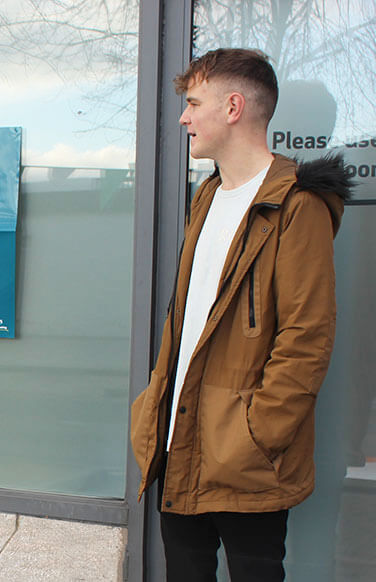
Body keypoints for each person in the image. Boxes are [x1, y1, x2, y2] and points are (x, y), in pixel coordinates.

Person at [129, 48, 353, 581]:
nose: (184, 117)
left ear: (233, 107)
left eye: (193, 103)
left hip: (245, 456)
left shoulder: (298, 205)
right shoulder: (206, 196)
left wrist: (256, 434)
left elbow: (307, 338)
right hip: (179, 440)